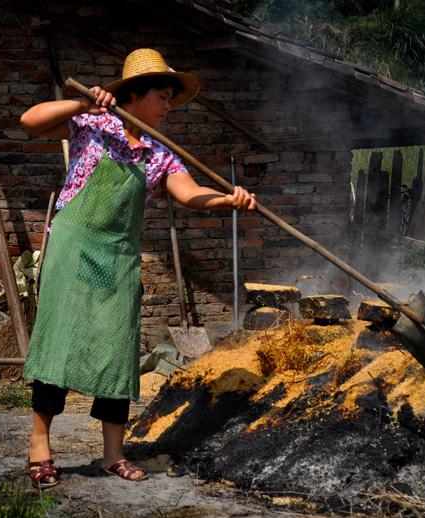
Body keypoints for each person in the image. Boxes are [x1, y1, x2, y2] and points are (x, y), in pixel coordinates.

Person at [20, 48, 256, 488]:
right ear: (135, 94)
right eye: (162, 97)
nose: (168, 106)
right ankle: (39, 446)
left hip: (118, 256)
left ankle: (113, 454)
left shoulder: (159, 154)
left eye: (170, 98)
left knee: (118, 349)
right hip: (74, 247)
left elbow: (189, 194)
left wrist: (227, 200)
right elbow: (30, 121)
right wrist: (85, 103)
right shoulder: (92, 125)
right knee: (58, 343)